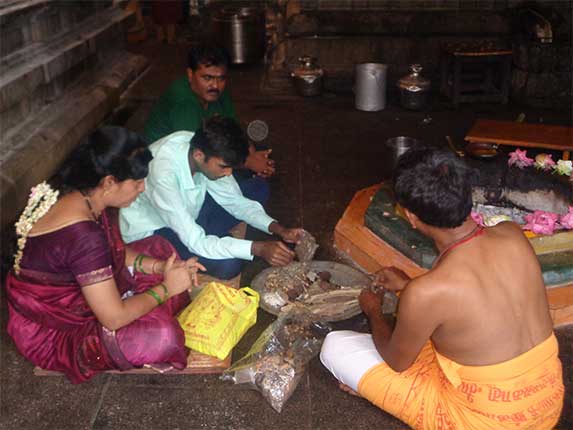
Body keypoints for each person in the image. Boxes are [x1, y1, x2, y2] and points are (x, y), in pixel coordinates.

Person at [320, 148, 564, 429]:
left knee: (335, 347)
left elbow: (397, 361)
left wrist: (373, 311)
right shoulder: (512, 234)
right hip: (548, 402)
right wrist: (407, 285)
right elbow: (479, 303)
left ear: (410, 216)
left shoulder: (427, 293)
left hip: (489, 422)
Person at [5, 127, 205, 384]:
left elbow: (114, 251)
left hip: (79, 288)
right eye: (137, 183)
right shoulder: (83, 236)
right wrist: (167, 288)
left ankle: (144, 296)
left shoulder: (79, 193)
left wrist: (157, 267)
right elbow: (114, 318)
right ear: (109, 182)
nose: (142, 189)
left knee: (160, 248)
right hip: (53, 331)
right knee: (164, 336)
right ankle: (147, 302)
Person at [120, 116, 302, 280]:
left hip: (191, 212)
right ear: (199, 156)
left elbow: (235, 201)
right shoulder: (163, 175)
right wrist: (258, 248)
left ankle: (218, 240)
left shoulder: (204, 148)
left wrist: (279, 229)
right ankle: (218, 241)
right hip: (158, 228)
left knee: (257, 188)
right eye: (224, 166)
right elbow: (196, 241)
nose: (229, 173)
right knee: (229, 265)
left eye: (231, 166)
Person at [143, 44, 275, 236]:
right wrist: (248, 163)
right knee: (227, 264)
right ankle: (220, 226)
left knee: (256, 184)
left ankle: (223, 223)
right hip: (185, 169)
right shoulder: (184, 101)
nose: (215, 85)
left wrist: (253, 156)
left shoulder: (217, 94)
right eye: (207, 78)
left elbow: (232, 131)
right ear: (190, 75)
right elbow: (207, 149)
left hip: (208, 158)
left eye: (221, 78)